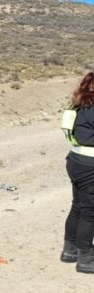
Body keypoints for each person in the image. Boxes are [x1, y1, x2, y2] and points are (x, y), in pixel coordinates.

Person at [62, 72, 94, 273]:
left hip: (75, 160)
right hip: (90, 165)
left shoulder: (79, 105)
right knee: (90, 212)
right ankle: (86, 258)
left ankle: (70, 249)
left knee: (78, 207)